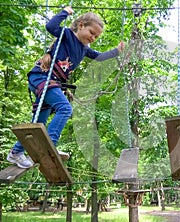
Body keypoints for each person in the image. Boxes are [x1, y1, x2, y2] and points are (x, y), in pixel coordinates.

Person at [7, 6, 125, 168]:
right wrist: (64, 12)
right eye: (92, 33)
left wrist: (116, 52)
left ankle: (15, 153)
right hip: (42, 77)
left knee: (38, 122)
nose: (93, 38)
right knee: (65, 108)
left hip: (51, 83)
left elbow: (99, 57)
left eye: (96, 37)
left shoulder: (84, 49)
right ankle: (51, 145)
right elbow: (50, 27)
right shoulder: (67, 35)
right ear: (81, 25)